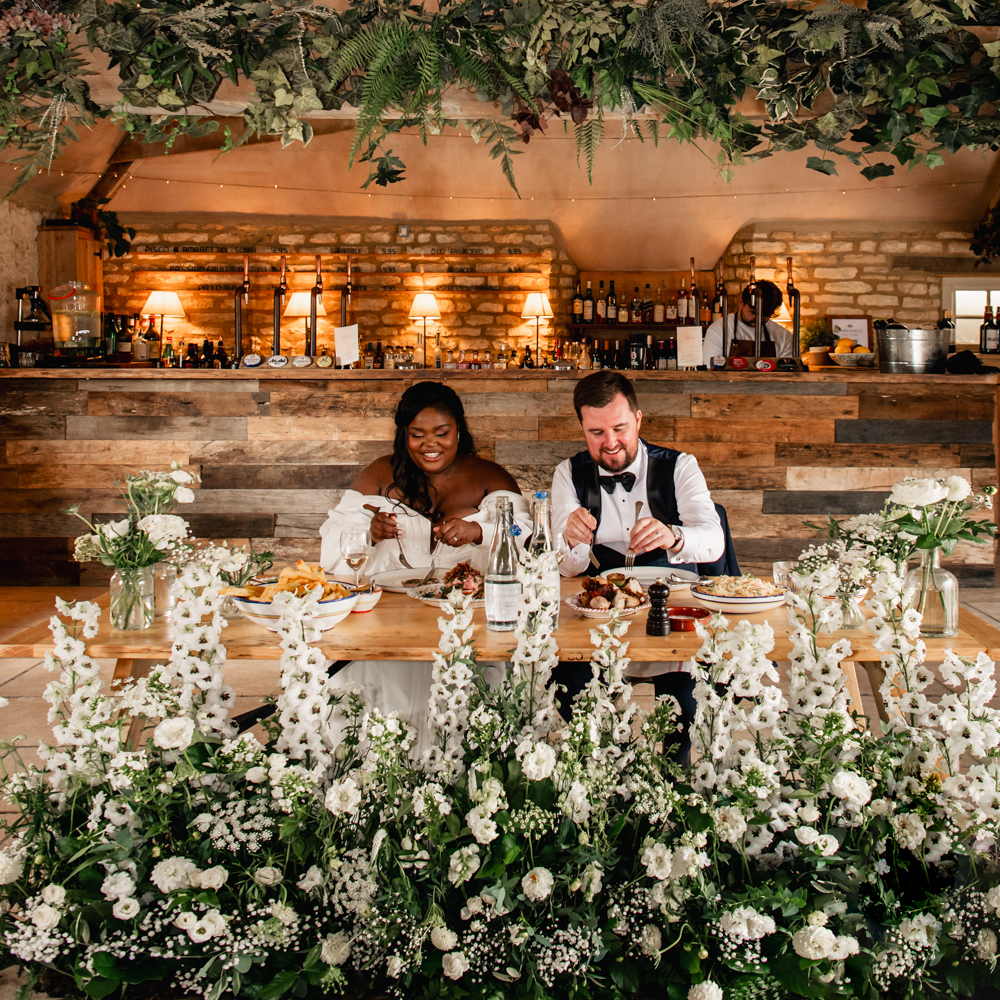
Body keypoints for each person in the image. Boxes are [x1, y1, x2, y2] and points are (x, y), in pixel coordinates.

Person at [319, 381, 530, 755]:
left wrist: (479, 531)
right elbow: (333, 540)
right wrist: (368, 533)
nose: (430, 444)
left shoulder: (489, 476)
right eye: (417, 434)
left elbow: (524, 536)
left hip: (467, 627)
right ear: (404, 435)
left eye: (441, 433)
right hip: (389, 625)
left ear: (459, 431)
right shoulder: (379, 473)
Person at [550, 370, 727, 762]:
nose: (610, 444)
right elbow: (566, 568)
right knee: (566, 686)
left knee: (684, 707)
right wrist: (571, 538)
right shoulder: (569, 473)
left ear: (639, 420)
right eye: (596, 432)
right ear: (581, 426)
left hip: (671, 606)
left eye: (620, 428)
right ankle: (611, 769)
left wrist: (673, 536)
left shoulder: (679, 466)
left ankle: (672, 779)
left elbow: (713, 541)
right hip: (599, 614)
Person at [702, 279, 794, 366]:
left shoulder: (784, 336)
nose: (759, 318)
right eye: (753, 312)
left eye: (765, 315)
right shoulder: (719, 330)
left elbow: (790, 375)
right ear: (741, 302)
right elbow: (712, 373)